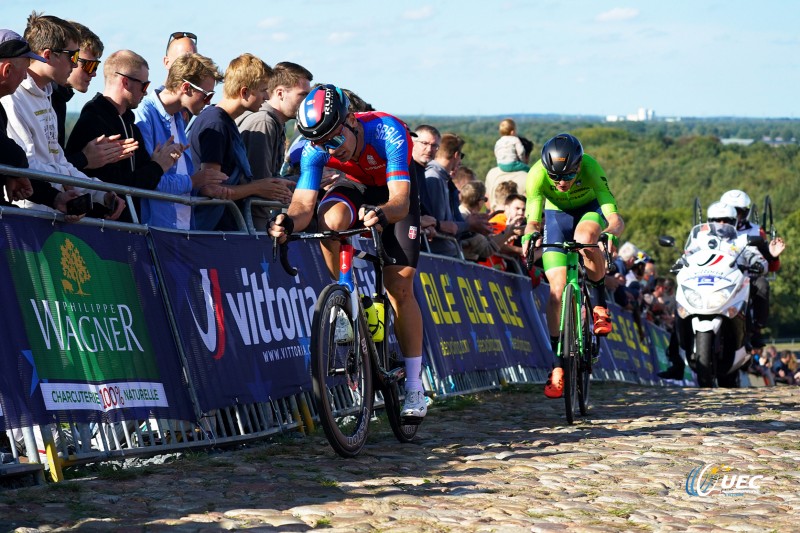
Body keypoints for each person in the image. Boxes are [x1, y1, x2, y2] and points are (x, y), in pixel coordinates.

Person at [268, 84, 428, 418]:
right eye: (323, 145)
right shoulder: (318, 149)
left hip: (392, 187)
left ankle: (415, 386)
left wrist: (383, 214)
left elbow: (399, 200)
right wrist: (287, 223)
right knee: (330, 220)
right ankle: (346, 297)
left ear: (352, 121)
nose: (332, 150)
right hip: (354, 184)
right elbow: (302, 204)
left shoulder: (388, 130)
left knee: (399, 285)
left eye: (336, 141)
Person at [521, 133, 624, 399]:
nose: (561, 182)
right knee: (556, 292)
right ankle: (558, 366)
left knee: (585, 238)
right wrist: (528, 235)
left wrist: (610, 233)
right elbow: (533, 220)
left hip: (589, 211)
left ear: (578, 166)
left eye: (567, 176)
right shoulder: (536, 175)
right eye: (555, 177)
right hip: (556, 218)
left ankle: (599, 304)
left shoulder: (590, 167)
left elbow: (614, 217)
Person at [1, 12, 124, 219]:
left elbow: (59, 161)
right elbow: (26, 164)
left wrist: (100, 193)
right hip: (28, 217)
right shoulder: (13, 97)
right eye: (73, 56)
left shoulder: (47, 95)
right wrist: (59, 197)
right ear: (48, 55)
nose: (76, 64)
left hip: (52, 214)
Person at [66, 50, 187, 220]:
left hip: (125, 227)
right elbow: (117, 184)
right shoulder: (93, 122)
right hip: (100, 227)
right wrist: (158, 166)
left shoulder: (131, 126)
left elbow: (141, 181)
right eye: (144, 85)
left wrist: (160, 161)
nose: (145, 92)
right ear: (125, 82)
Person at [134, 52, 229, 229]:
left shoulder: (178, 118)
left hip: (182, 230)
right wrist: (194, 182)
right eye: (206, 95)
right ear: (186, 88)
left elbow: (179, 179)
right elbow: (148, 181)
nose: (208, 102)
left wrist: (201, 186)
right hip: (156, 232)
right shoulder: (144, 115)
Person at [189, 53, 280, 231]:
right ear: (244, 92)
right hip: (214, 233)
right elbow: (212, 189)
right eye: (262, 90)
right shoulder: (216, 124)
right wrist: (258, 188)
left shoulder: (223, 121)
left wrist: (272, 185)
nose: (267, 97)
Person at [0, 28, 82, 214]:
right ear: (7, 70)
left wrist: (54, 198)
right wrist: (15, 166)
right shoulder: (11, 102)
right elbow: (13, 154)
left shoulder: (47, 97)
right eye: (22, 72)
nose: (24, 77)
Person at [236, 61, 312, 230]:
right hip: (249, 220)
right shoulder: (264, 122)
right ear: (280, 93)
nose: (308, 103)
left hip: (251, 216)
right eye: (303, 95)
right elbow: (263, 185)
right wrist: (312, 180)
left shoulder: (273, 122)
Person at [720, 189, 785, 348]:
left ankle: (756, 328)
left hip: (745, 275)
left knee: (762, 284)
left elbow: (770, 265)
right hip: (717, 274)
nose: (735, 215)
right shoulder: (711, 229)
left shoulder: (756, 231)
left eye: (739, 212)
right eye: (730, 210)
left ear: (746, 213)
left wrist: (773, 255)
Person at [424, 133, 491, 258]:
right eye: (461, 156)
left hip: (444, 253)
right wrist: (468, 224)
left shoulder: (441, 178)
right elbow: (440, 223)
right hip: (440, 255)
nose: (460, 161)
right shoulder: (435, 178)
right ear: (456, 155)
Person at [485, 136, 533, 213]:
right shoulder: (529, 177)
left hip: (494, 217)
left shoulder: (492, 173)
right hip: (519, 221)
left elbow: (487, 201)